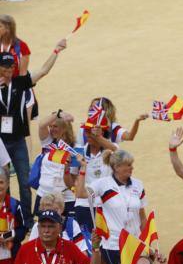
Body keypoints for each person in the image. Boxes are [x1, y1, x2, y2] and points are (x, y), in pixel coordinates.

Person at [0, 39, 67, 222]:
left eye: (11, 66)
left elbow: (43, 71)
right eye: (5, 67)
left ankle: (28, 221)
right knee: (2, 183)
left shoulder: (20, 83)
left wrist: (56, 50)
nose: (9, 70)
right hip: (1, 144)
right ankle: (5, 217)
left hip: (18, 141)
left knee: (24, 182)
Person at [75, 149, 147, 264]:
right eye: (128, 165)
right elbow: (80, 193)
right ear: (117, 167)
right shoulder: (103, 184)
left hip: (135, 243)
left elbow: (143, 218)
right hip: (113, 244)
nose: (132, 168)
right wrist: (83, 168)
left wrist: (147, 242)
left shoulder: (138, 185)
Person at [73, 114, 116, 237]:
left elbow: (119, 153)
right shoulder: (78, 152)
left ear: (102, 132)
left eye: (91, 131)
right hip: (84, 204)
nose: (88, 134)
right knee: (87, 245)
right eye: (87, 131)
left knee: (106, 244)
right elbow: (70, 180)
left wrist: (99, 138)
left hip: (106, 206)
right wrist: (66, 169)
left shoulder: (110, 150)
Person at [35, 109, 78, 216]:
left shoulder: (75, 149)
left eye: (55, 126)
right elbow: (41, 125)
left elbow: (73, 180)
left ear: (64, 128)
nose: (51, 129)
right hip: (44, 195)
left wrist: (67, 168)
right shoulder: (47, 142)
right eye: (51, 126)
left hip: (66, 198)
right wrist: (58, 114)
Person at [76, 97, 148, 147]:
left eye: (96, 107)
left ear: (105, 111)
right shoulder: (83, 129)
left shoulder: (113, 128)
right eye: (91, 107)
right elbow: (79, 152)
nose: (92, 110)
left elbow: (130, 137)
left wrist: (137, 121)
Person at [0, 165, 27, 264]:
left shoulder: (15, 205)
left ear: (7, 184)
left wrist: (9, 236)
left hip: (10, 261)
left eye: (1, 182)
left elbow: (23, 229)